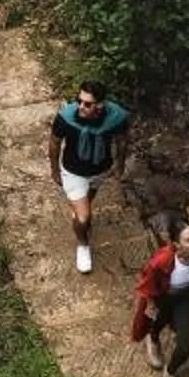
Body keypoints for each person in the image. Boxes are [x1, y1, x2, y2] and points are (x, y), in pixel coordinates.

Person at [49, 82, 129, 275]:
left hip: (100, 169)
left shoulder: (116, 118)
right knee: (84, 218)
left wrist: (120, 166)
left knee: (88, 200)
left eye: (87, 104)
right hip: (73, 171)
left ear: (100, 105)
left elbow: (122, 142)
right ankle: (83, 244)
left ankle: (79, 212)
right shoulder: (66, 118)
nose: (81, 107)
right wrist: (54, 170)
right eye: (79, 101)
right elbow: (54, 144)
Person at [131, 220, 189, 377]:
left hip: (186, 297)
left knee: (185, 346)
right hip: (164, 296)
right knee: (158, 321)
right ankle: (153, 338)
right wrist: (150, 304)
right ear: (176, 244)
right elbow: (148, 283)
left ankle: (170, 373)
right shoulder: (162, 261)